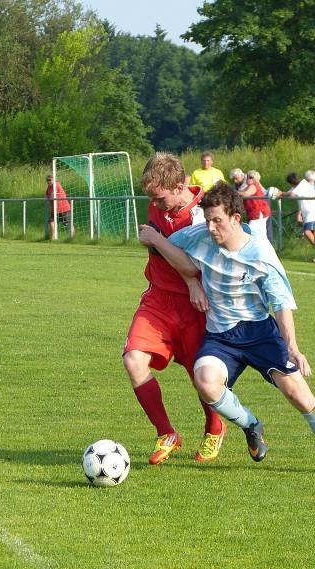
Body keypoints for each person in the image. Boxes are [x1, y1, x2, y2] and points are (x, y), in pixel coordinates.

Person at [138, 181, 315, 478]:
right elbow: (171, 250)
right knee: (205, 381)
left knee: (299, 395)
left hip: (259, 333)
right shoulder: (200, 236)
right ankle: (251, 425)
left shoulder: (260, 252)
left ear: (235, 218)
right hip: (220, 337)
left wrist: (292, 347)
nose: (212, 228)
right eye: (208, 221)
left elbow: (281, 303)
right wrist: (154, 238)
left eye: (218, 220)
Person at [123, 153, 227, 465]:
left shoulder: (203, 214)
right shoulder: (157, 203)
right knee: (133, 360)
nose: (155, 203)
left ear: (179, 186)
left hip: (195, 306)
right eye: (151, 197)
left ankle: (214, 427)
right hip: (157, 300)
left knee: (202, 378)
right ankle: (167, 432)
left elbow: (194, 265)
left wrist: (156, 240)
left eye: (160, 197)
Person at [285, 171, 315, 252]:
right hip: (313, 212)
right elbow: (290, 193)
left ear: (292, 182)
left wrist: (281, 193)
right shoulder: (298, 186)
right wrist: (281, 194)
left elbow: (291, 195)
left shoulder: (302, 185)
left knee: (307, 232)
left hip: (312, 212)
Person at [240, 170, 273, 241]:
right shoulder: (250, 186)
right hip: (259, 213)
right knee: (261, 234)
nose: (248, 178)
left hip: (258, 213)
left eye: (251, 177)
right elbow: (243, 192)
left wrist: (234, 193)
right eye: (248, 176)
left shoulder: (253, 186)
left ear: (255, 179)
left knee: (250, 233)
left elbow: (246, 194)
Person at [45, 174, 74, 239]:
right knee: (51, 221)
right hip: (55, 209)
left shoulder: (56, 184)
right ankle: (53, 237)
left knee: (68, 223)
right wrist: (48, 197)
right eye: (47, 180)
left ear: (53, 179)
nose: (48, 181)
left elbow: (52, 196)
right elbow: (46, 195)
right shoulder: (49, 187)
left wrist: (50, 197)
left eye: (50, 180)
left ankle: (72, 238)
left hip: (63, 208)